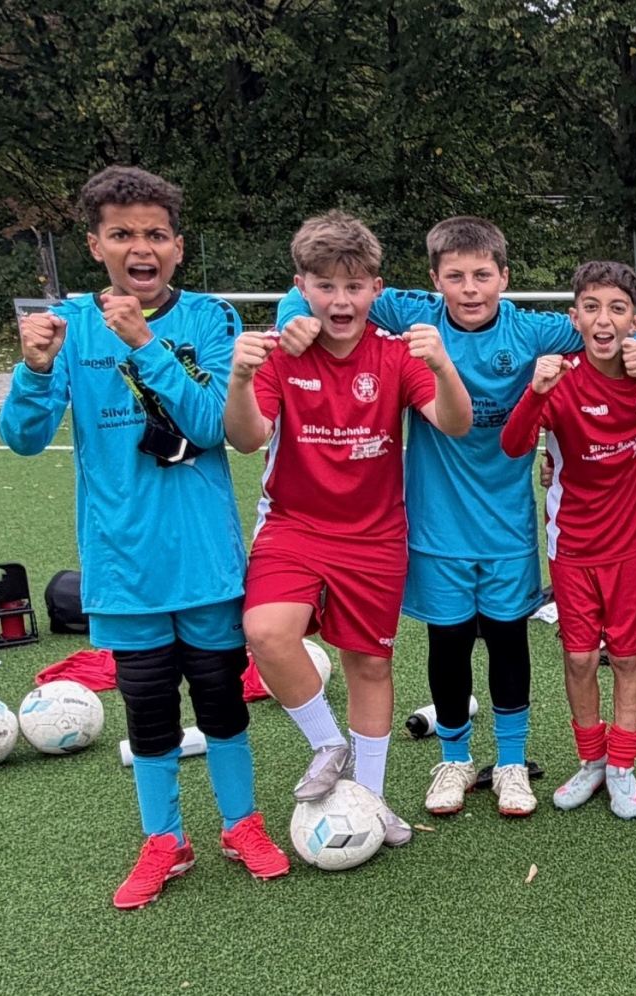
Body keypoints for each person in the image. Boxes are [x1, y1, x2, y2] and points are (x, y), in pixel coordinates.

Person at [270, 218, 636, 819]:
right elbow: (322, 289)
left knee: (508, 642)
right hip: (435, 524)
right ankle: (454, 759)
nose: (470, 288)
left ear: (504, 277)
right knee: (447, 645)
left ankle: (511, 762)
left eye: (482, 275)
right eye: (455, 276)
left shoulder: (533, 331)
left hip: (507, 525)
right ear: (434, 280)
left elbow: (602, 327)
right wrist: (294, 318)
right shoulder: (411, 315)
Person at [0, 166, 289, 908]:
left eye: (155, 234)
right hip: (123, 566)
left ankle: (242, 824)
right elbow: (23, 439)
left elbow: (212, 427)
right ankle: (165, 840)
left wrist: (146, 342)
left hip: (205, 562)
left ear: (178, 247)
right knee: (150, 709)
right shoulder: (69, 326)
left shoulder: (211, 320)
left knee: (221, 701)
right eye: (122, 234)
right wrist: (34, 371)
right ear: (95, 245)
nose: (141, 247)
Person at [225, 211, 473, 851]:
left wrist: (444, 366)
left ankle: (370, 800)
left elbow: (455, 423)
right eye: (326, 285)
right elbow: (248, 439)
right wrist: (241, 377)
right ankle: (327, 744)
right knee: (266, 632)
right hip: (295, 526)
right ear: (301, 287)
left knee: (368, 663)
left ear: (375, 289)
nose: (341, 300)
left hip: (375, 536)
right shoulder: (280, 354)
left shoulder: (395, 354)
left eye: (355, 286)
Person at [498, 261, 636, 820]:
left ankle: (622, 767)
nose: (603, 319)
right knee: (578, 657)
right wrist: (534, 392)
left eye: (617, 309)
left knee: (627, 657)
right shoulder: (560, 379)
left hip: (633, 546)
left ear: (635, 321)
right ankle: (592, 761)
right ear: (575, 318)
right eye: (591, 307)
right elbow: (514, 445)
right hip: (571, 545)